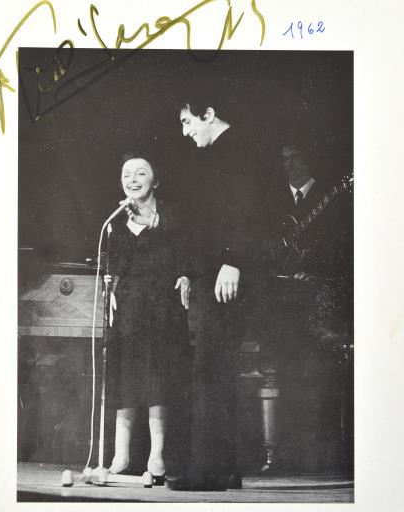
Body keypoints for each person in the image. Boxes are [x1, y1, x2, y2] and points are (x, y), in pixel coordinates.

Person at [167, 101, 257, 491]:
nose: (184, 131)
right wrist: (189, 271)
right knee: (216, 369)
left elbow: (248, 213)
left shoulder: (239, 150)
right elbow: (206, 223)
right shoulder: (214, 155)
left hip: (227, 275)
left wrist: (233, 260)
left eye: (187, 122)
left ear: (208, 114)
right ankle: (226, 468)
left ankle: (207, 471)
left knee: (209, 370)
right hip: (212, 274)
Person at [256, 136, 353, 472]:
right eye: (284, 159)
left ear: (309, 159)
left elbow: (343, 247)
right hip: (282, 300)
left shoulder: (333, 198)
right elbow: (265, 245)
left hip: (320, 296)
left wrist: (313, 271)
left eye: (294, 157)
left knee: (314, 373)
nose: (289, 165)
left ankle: (318, 456)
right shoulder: (273, 199)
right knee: (281, 367)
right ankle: (281, 455)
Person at [106, 153, 190, 483]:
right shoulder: (116, 220)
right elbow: (112, 263)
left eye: (141, 173)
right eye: (127, 174)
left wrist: (185, 275)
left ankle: (157, 455)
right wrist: (110, 286)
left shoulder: (172, 216)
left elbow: (185, 252)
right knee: (125, 376)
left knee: (159, 379)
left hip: (164, 308)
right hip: (129, 308)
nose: (133, 179)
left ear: (156, 180)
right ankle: (121, 454)